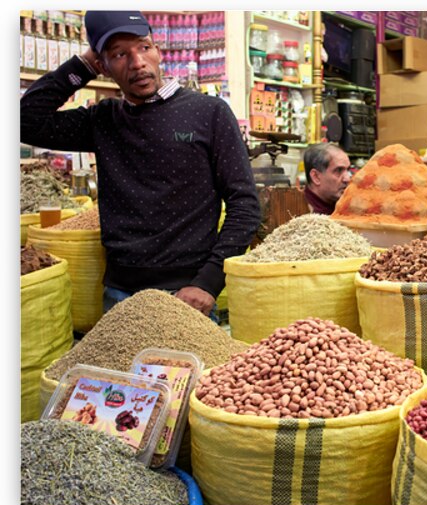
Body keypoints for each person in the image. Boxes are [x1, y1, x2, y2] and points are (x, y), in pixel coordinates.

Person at [20, 11, 261, 322]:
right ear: (103, 66)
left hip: (188, 293)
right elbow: (24, 121)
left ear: (158, 51)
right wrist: (82, 65)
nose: (137, 63)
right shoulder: (103, 120)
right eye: (120, 54)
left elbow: (245, 205)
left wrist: (209, 282)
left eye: (144, 48)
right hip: (119, 294)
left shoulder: (209, 112)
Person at [302, 143, 352, 215]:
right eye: (338, 170)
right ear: (316, 177)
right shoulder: (300, 212)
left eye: (348, 170)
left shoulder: (347, 206)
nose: (347, 179)